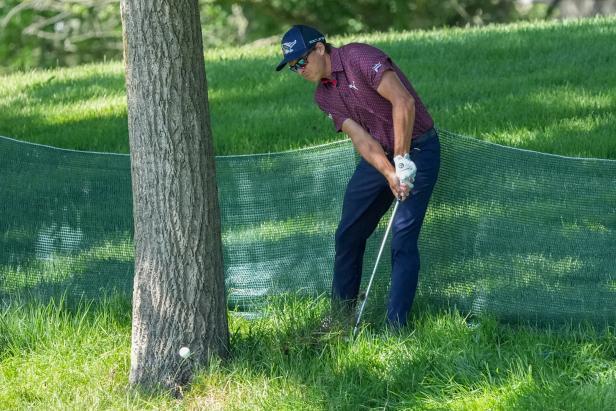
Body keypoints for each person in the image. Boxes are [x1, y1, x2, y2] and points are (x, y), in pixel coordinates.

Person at [275, 25, 440, 328]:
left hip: (419, 148)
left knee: (402, 237)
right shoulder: (324, 96)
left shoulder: (359, 57)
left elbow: (404, 102)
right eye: (292, 67)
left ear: (320, 48)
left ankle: (396, 326)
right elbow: (362, 140)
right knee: (349, 233)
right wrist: (390, 172)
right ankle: (341, 316)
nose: (299, 70)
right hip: (382, 155)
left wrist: (402, 160)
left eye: (301, 61)